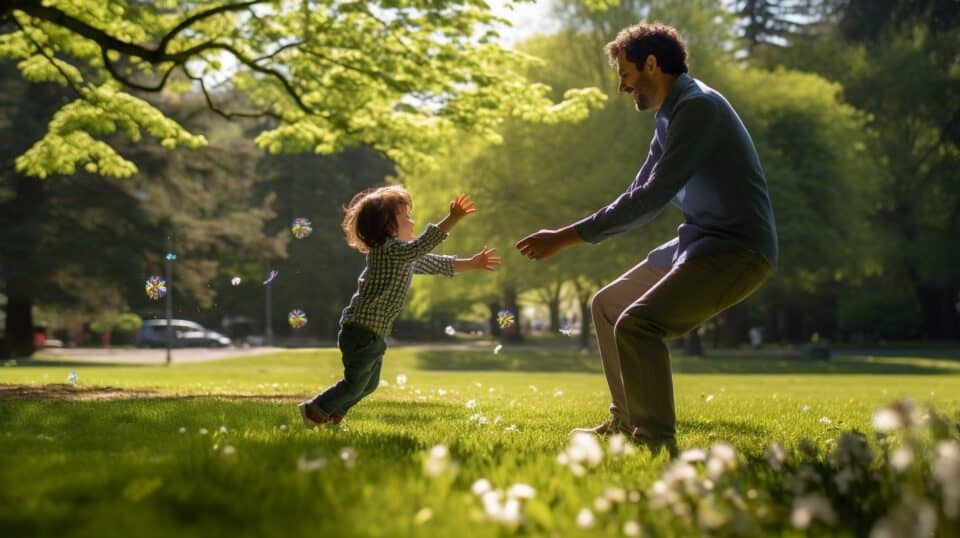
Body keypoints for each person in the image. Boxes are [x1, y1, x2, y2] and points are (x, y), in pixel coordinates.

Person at [515, 22, 778, 451]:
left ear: (651, 65)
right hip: (696, 243)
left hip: (736, 250)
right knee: (606, 306)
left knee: (638, 323)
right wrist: (572, 233)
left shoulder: (698, 109)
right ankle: (627, 420)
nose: (622, 86)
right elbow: (638, 194)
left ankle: (654, 439)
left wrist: (564, 237)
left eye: (625, 74)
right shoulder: (670, 116)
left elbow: (654, 197)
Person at [299, 186, 501, 427]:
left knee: (368, 385)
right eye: (405, 217)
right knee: (354, 384)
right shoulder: (388, 251)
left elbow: (437, 264)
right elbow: (422, 246)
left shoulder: (405, 257)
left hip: (372, 333)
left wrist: (472, 263)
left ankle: (334, 415)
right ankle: (315, 410)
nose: (412, 221)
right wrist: (453, 218)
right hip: (362, 331)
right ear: (387, 227)